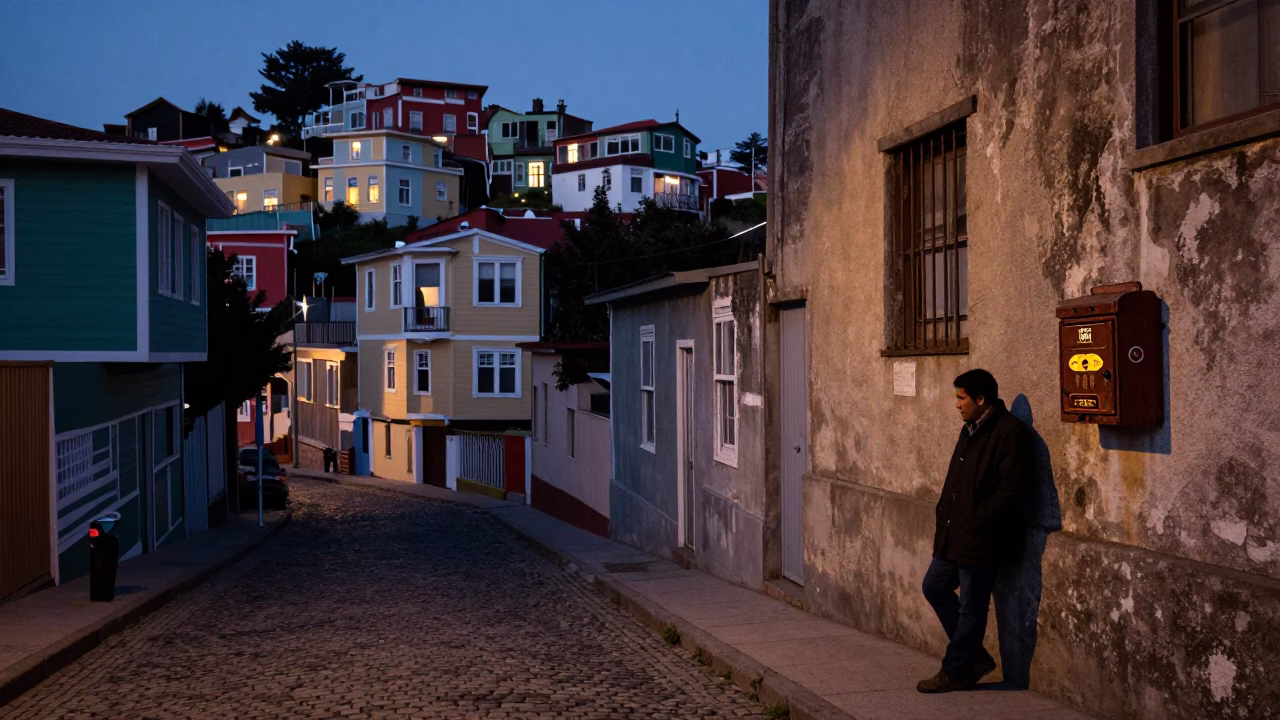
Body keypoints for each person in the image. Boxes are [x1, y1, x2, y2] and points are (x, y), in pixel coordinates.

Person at [917, 369, 1031, 693]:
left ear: (981, 400)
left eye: (961, 397)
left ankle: (954, 669)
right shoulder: (970, 429)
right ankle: (975, 658)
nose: (957, 404)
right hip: (956, 534)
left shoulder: (1010, 433)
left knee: (972, 606)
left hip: (983, 537)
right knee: (934, 586)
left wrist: (979, 519)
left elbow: (1011, 491)